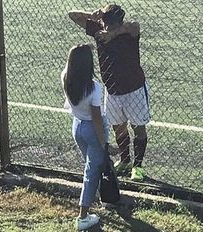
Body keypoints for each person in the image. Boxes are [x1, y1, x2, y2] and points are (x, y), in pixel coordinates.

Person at [68, 4, 150, 181]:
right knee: (118, 127)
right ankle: (125, 160)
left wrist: (113, 34)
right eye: (104, 22)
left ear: (117, 22)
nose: (105, 27)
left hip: (134, 89)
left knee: (138, 128)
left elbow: (135, 25)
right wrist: (91, 14)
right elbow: (72, 15)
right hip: (112, 90)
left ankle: (138, 166)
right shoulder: (98, 29)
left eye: (108, 23)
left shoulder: (129, 33)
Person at [61, 44, 116, 231]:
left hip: (77, 127)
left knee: (91, 168)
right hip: (92, 131)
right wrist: (105, 144)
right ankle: (83, 216)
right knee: (92, 173)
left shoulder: (66, 77)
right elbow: (97, 120)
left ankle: (102, 198)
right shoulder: (94, 88)